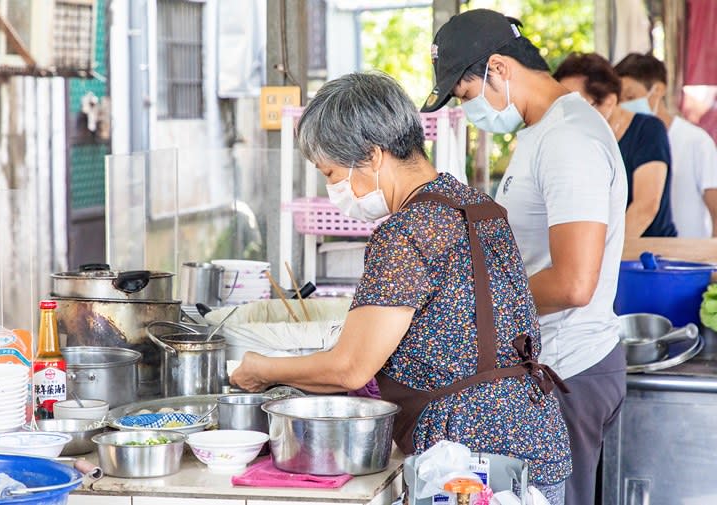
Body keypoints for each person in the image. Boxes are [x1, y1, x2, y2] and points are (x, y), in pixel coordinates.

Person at [231, 71, 572, 502]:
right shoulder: (478, 206)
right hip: (532, 440)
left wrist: (262, 369)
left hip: (471, 461)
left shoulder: (407, 231)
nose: (333, 187)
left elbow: (351, 367)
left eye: (331, 172)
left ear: (373, 155)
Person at [420, 10, 627, 505]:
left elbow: (575, 282)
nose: (471, 110)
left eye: (468, 96)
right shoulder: (542, 131)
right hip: (552, 363)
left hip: (571, 368)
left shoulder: (568, 140)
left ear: (498, 68)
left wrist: (477, 307)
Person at [554, 52, 677, 238]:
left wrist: (605, 255)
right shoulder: (578, 138)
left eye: (576, 106)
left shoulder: (648, 130)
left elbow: (646, 206)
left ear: (609, 101)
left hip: (648, 254)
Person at [614, 52, 717, 238]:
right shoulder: (625, 141)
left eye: (630, 97)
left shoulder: (696, 141)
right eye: (619, 100)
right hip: (642, 256)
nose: (623, 106)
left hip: (691, 258)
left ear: (658, 89)